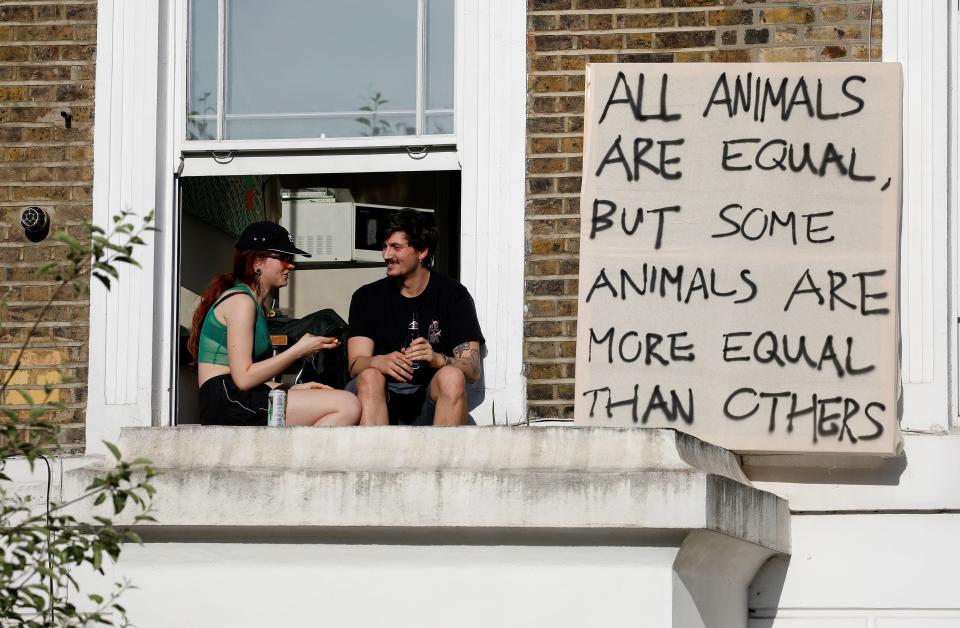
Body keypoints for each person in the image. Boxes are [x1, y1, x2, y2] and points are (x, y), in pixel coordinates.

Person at [188, 221, 361, 426]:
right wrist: (298, 350)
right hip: (226, 400)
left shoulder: (253, 304)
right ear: (257, 262)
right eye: (283, 258)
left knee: (342, 400)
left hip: (237, 395)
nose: (291, 265)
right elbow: (243, 378)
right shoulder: (241, 302)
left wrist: (289, 388)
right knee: (347, 405)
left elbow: (245, 378)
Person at [346, 209, 484, 426]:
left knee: (452, 376)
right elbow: (355, 364)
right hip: (379, 395)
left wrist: (438, 359)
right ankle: (375, 458)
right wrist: (378, 361)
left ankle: (441, 459)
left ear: (421, 252)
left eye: (396, 247)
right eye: (384, 246)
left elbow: (473, 370)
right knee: (369, 376)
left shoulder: (453, 295)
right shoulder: (367, 297)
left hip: (428, 399)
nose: (386, 255)